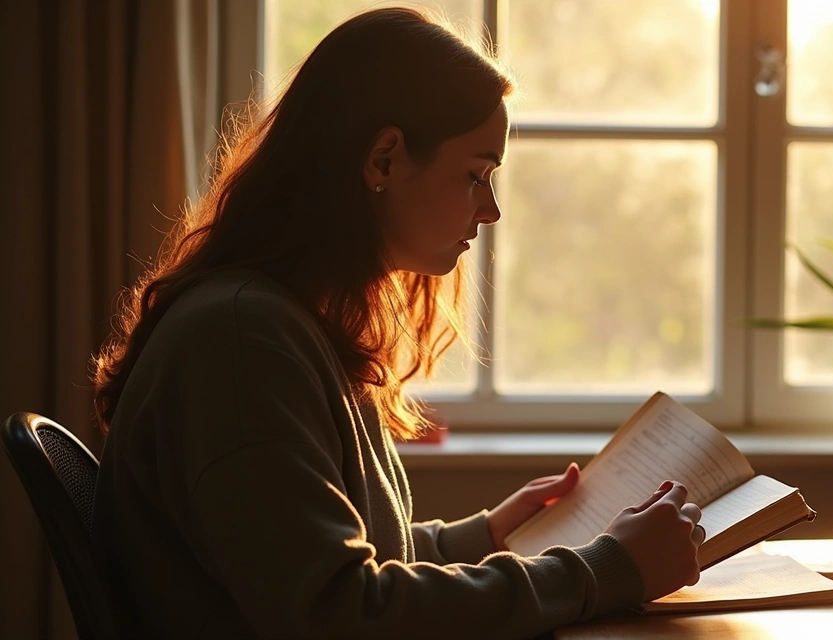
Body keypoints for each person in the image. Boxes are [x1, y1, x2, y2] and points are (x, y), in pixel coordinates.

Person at [90, 6, 705, 639]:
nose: (491, 209)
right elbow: (342, 611)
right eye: (475, 175)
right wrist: (603, 570)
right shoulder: (242, 341)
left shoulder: (283, 322)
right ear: (382, 161)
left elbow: (326, 559)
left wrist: (485, 536)